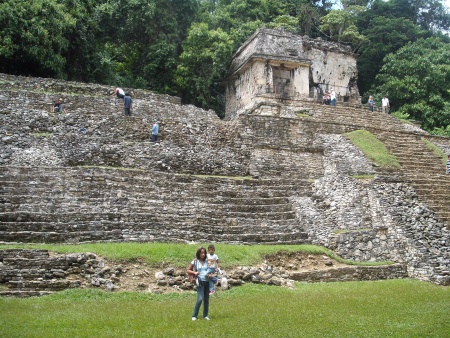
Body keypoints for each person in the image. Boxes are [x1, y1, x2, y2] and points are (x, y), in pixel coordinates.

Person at [187, 247, 213, 321]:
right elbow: (188, 270)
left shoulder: (208, 261)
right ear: (198, 253)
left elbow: (211, 270)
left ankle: (205, 315)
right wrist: (194, 272)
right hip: (200, 282)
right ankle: (194, 315)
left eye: (204, 253)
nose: (203, 254)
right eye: (201, 253)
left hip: (207, 281)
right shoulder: (195, 261)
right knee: (200, 298)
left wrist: (211, 274)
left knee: (206, 299)